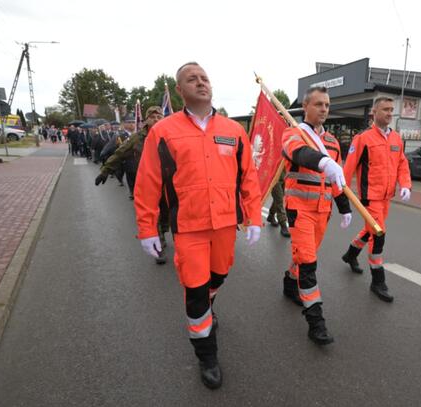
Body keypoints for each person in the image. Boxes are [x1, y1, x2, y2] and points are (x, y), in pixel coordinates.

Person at [134, 62, 262, 389]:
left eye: (204, 77)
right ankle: (206, 354)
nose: (200, 82)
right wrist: (148, 228)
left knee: (217, 277)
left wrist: (254, 217)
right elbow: (147, 182)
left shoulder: (234, 131)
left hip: (224, 226)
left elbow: (248, 177)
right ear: (180, 91)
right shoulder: (163, 131)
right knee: (195, 291)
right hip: (188, 228)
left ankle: (208, 304)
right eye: (192, 79)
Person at [281, 86, 352, 346]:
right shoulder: (293, 133)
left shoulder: (333, 142)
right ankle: (315, 321)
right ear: (306, 107)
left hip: (323, 212)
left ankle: (290, 283)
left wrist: (343, 205)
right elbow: (299, 153)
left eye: (327, 105)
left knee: (303, 258)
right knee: (309, 263)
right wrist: (323, 162)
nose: (324, 109)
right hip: (298, 209)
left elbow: (338, 178)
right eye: (319, 104)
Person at [341, 96, 412, 302]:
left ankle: (351, 255)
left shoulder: (396, 139)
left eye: (392, 109)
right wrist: (342, 199)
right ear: (374, 112)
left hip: (386, 197)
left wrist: (405, 184)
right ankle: (378, 281)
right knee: (378, 234)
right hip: (369, 198)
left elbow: (402, 164)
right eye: (385, 109)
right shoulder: (363, 138)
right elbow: (348, 169)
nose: (390, 113)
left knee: (370, 230)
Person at [95, 107, 169, 264]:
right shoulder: (137, 138)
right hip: (148, 184)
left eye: (159, 116)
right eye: (152, 116)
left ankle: (162, 232)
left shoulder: (170, 135)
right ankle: (158, 245)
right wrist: (105, 170)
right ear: (146, 120)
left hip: (169, 183)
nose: (156, 119)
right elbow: (119, 153)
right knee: (152, 214)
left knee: (166, 213)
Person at [265, 171, 290, 237]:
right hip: (274, 177)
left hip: (285, 176)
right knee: (279, 200)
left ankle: (271, 215)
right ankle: (283, 224)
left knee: (278, 198)